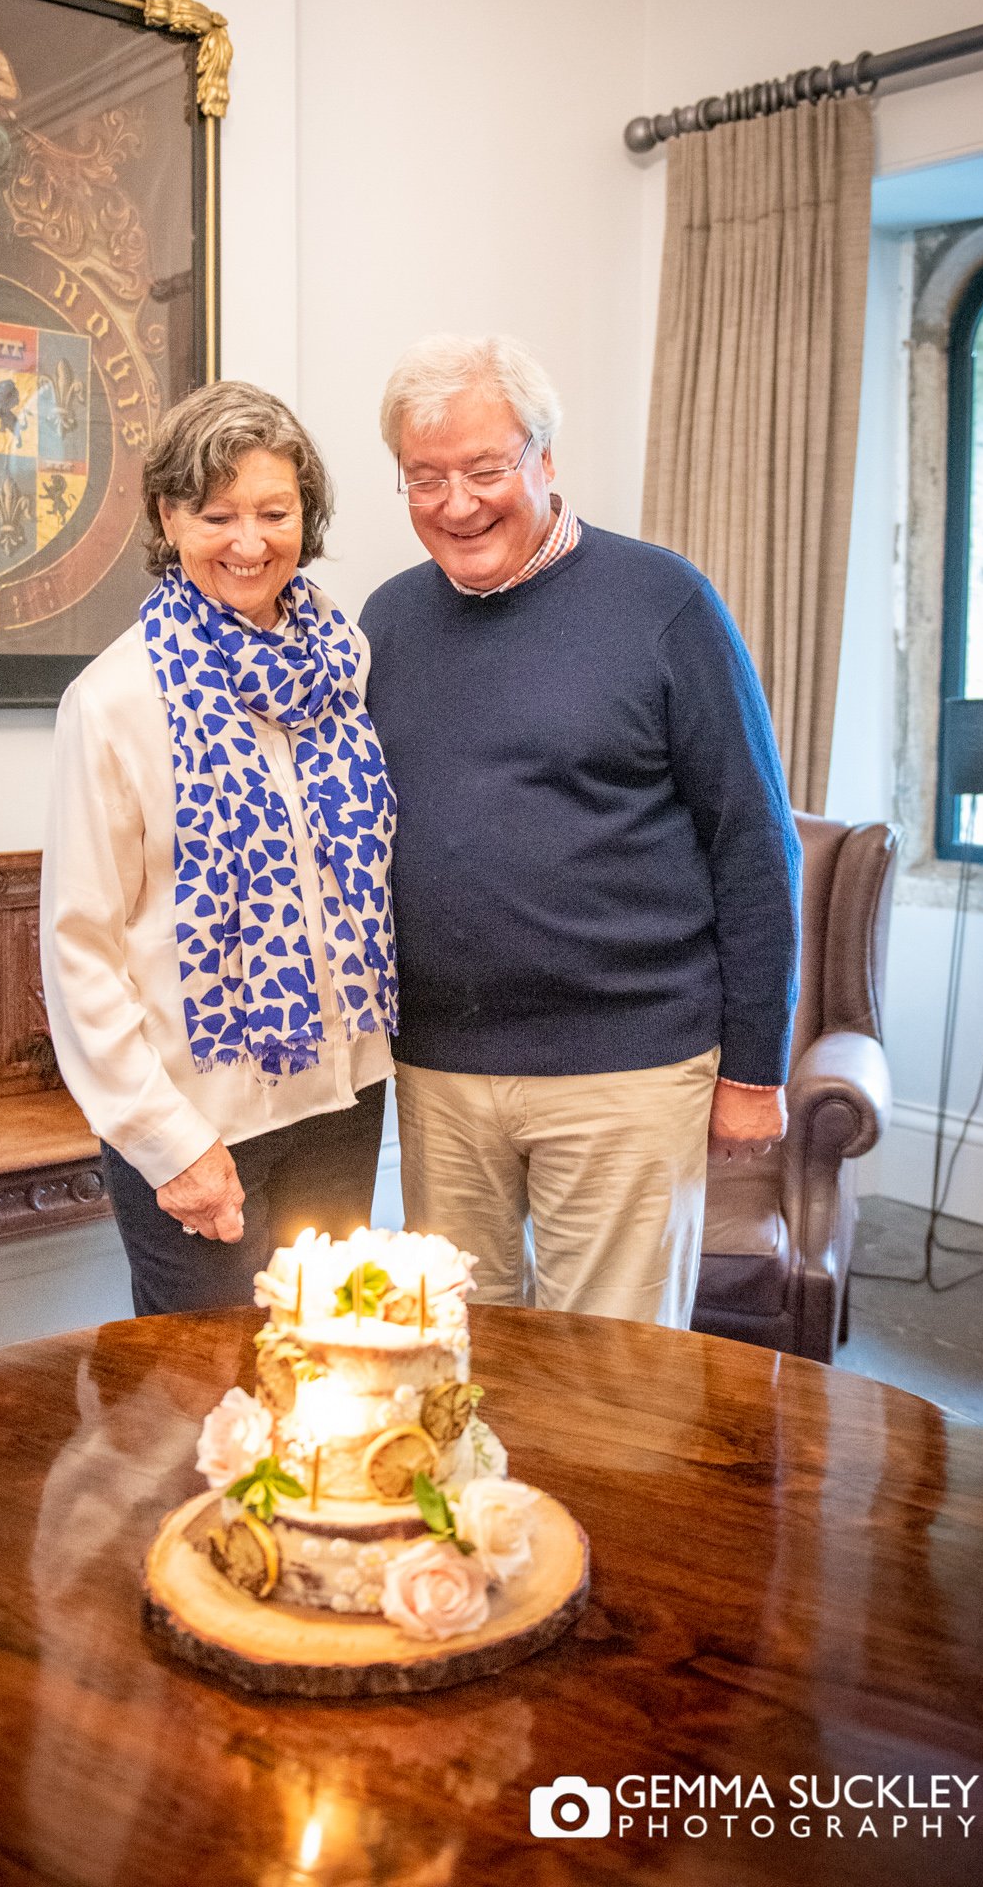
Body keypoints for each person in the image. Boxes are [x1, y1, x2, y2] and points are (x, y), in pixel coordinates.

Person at [359, 335, 801, 1326]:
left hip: (627, 1068)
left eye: (484, 468)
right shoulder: (385, 621)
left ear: (543, 460)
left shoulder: (663, 604)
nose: (456, 502)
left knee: (614, 1385)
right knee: (452, 1361)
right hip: (438, 1070)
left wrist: (753, 1066)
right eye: (424, 477)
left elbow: (753, 846)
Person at [40, 382, 397, 1315]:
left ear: (306, 516)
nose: (250, 541)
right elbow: (79, 949)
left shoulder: (342, 662)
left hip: (343, 1099)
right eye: (217, 514)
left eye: (275, 511)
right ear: (169, 517)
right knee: (197, 1410)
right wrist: (167, 1142)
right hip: (197, 1121)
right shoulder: (115, 701)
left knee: (328, 1381)